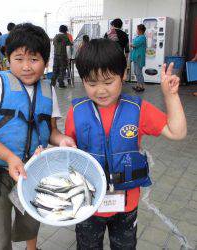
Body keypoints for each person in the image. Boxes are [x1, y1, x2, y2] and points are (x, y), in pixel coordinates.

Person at [65, 38, 187, 250]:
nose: (100, 90)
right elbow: (69, 154)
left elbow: (178, 132)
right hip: (87, 205)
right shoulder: (76, 111)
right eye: (91, 83)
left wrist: (171, 96)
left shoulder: (138, 109)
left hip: (126, 203)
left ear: (123, 75)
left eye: (108, 81)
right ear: (82, 80)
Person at [0, 23, 76, 250]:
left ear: (46, 61)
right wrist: (8, 157)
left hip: (30, 172)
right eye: (19, 58)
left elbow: (52, 131)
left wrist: (62, 140)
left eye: (34, 59)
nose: (26, 66)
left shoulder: (48, 89)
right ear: (8, 59)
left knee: (30, 222)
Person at [130, 24, 147, 92]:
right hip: (136, 57)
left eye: (137, 29)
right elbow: (133, 44)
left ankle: (141, 86)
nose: (136, 30)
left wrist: (131, 44)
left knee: (138, 72)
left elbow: (133, 44)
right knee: (136, 72)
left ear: (140, 30)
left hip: (139, 58)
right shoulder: (139, 37)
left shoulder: (142, 37)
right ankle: (138, 85)